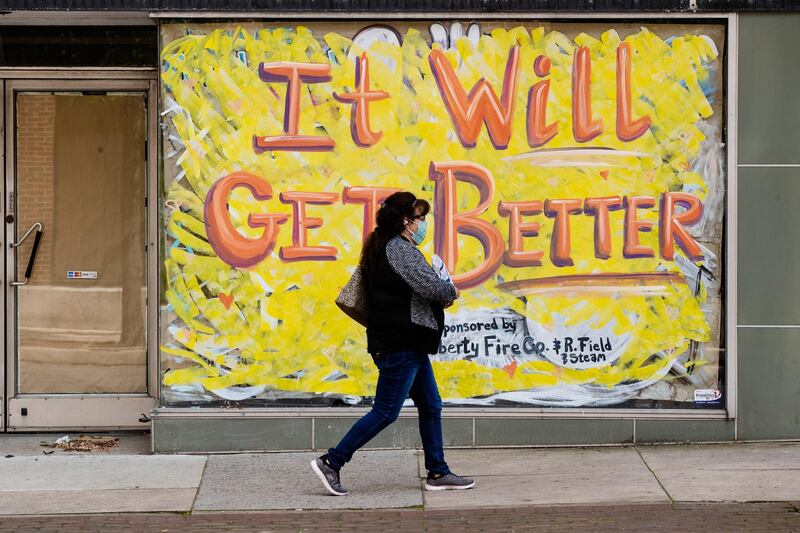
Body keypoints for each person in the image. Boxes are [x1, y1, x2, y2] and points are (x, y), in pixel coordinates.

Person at [311, 191, 475, 496]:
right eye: (420, 219)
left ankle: (437, 472)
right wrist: (450, 290)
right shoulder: (399, 249)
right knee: (386, 411)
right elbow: (429, 284)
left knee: (430, 405)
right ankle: (331, 461)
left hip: (407, 343)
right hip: (400, 343)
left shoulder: (383, 246)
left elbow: (413, 291)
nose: (423, 224)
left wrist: (442, 293)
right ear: (405, 221)